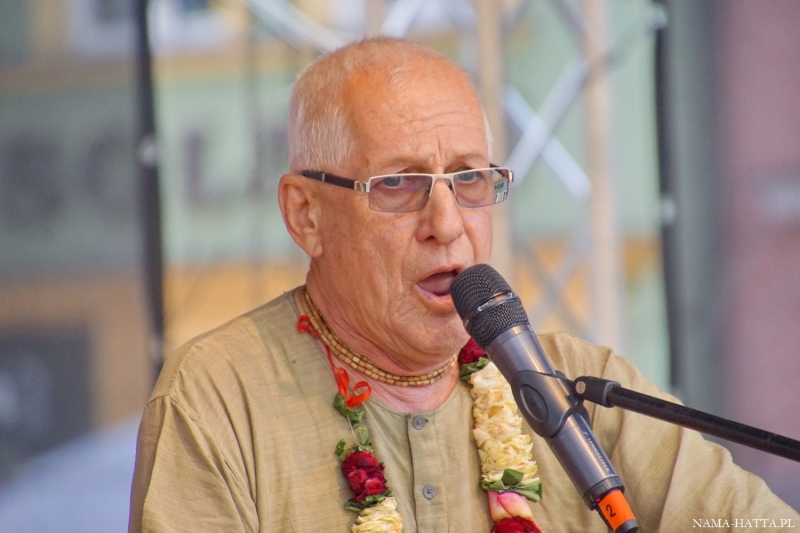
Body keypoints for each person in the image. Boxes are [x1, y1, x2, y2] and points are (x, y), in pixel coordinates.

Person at [129, 37, 798, 533]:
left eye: (470, 178)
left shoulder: (577, 389)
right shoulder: (219, 398)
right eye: (398, 183)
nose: (446, 224)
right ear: (307, 215)